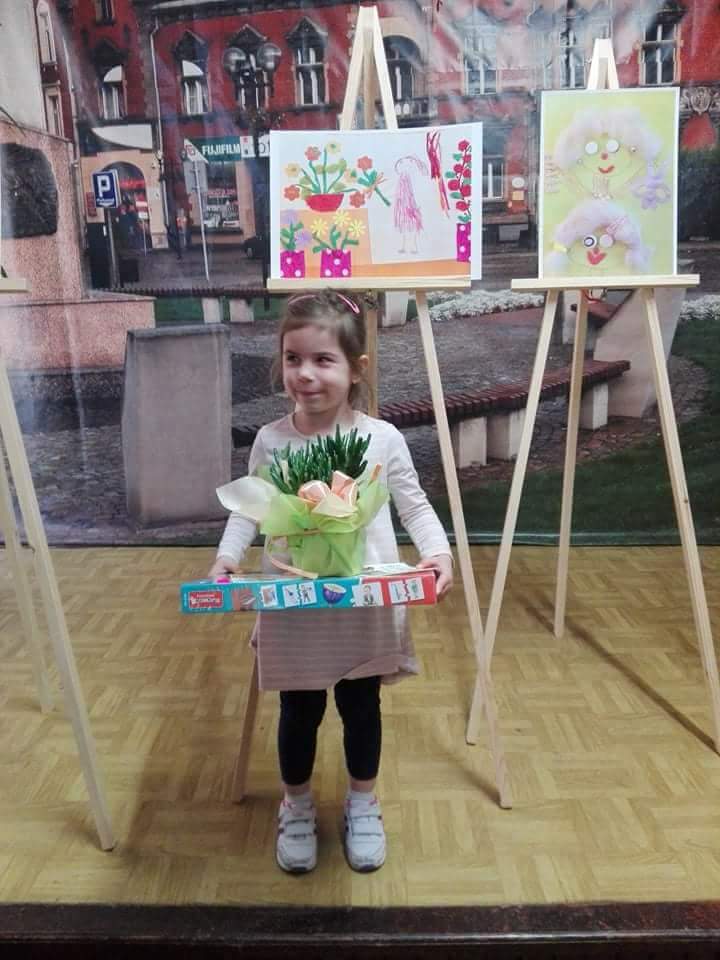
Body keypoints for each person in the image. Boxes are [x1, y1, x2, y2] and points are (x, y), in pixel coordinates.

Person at [208, 290, 453, 874]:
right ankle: (295, 805)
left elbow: (414, 505)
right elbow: (248, 510)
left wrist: (438, 552)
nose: (306, 374)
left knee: (362, 707)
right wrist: (227, 559)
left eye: (323, 360)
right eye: (293, 358)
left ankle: (362, 803)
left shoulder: (382, 438)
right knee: (299, 709)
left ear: (356, 368)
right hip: (295, 606)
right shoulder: (271, 440)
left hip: (362, 604)